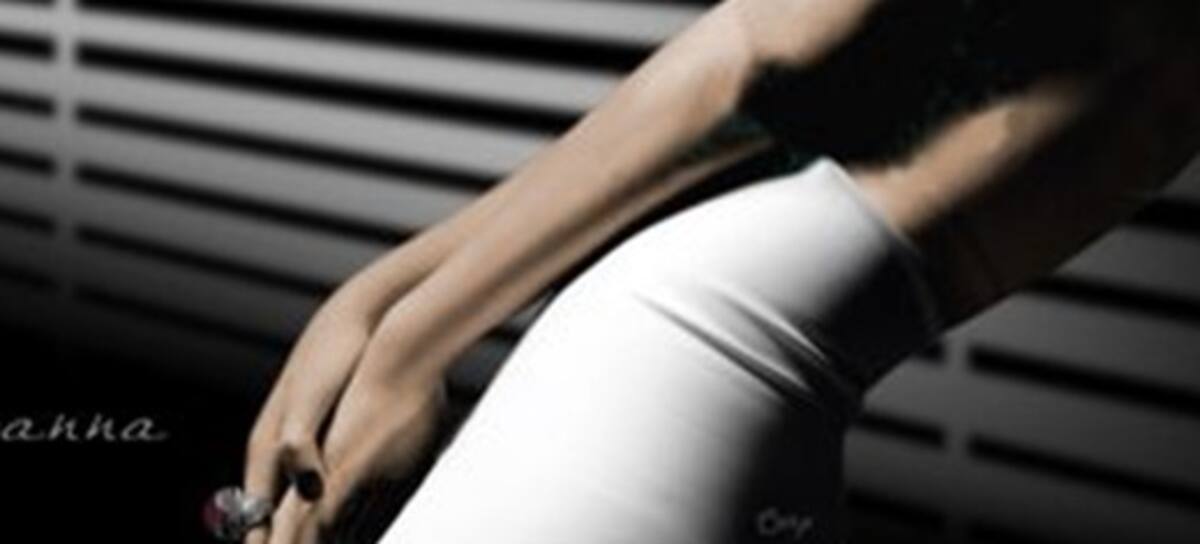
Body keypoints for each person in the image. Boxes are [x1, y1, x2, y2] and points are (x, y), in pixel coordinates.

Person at [224, 1, 1200, 542]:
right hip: (768, 398)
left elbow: (756, 59)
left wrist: (407, 340)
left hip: (672, 362)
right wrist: (383, 303)